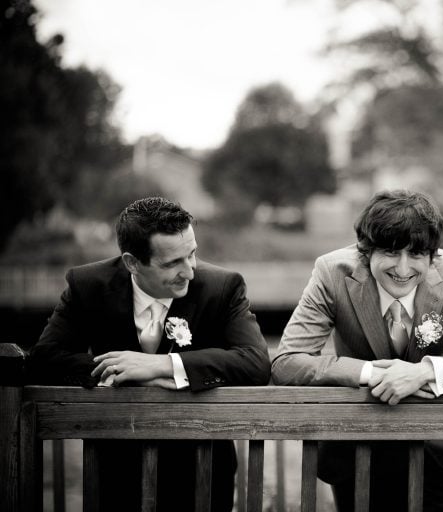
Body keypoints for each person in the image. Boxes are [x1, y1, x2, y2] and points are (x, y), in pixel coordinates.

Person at [272, 189, 443, 512]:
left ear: (432, 255)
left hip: (434, 450)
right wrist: (372, 373)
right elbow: (287, 362)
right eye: (390, 252)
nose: (403, 268)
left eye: (416, 255)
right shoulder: (332, 272)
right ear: (366, 251)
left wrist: (424, 372)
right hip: (354, 448)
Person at [29, 197, 271, 512]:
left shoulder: (222, 287)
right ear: (132, 262)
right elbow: (44, 360)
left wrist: (161, 365)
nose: (190, 272)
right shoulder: (87, 285)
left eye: (192, 254)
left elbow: (255, 362)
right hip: (116, 467)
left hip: (203, 468)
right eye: (173, 263)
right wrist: (120, 370)